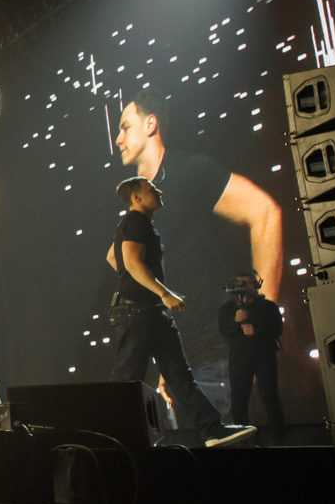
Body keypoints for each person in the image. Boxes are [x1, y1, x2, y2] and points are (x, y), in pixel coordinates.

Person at [115, 89, 288, 407]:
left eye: (125, 127)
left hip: (215, 358)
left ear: (150, 124)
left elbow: (264, 214)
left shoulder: (187, 171)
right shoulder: (139, 205)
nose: (118, 139)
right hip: (180, 366)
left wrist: (260, 324)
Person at [104, 177, 254, 448]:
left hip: (150, 313)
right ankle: (108, 440)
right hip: (139, 314)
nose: (159, 191)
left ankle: (211, 430)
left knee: (179, 376)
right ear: (136, 197)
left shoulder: (135, 224)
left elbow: (113, 258)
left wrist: (135, 281)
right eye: (152, 190)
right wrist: (162, 292)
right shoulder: (136, 222)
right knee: (128, 381)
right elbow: (130, 261)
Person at [221, 274, 287, 434]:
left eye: (247, 283)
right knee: (239, 399)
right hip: (239, 358)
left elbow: (278, 329)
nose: (243, 286)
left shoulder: (268, 307)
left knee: (269, 396)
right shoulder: (228, 308)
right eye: (239, 282)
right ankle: (243, 439)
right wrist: (236, 322)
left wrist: (256, 330)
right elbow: (224, 331)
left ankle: (278, 438)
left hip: (264, 356)